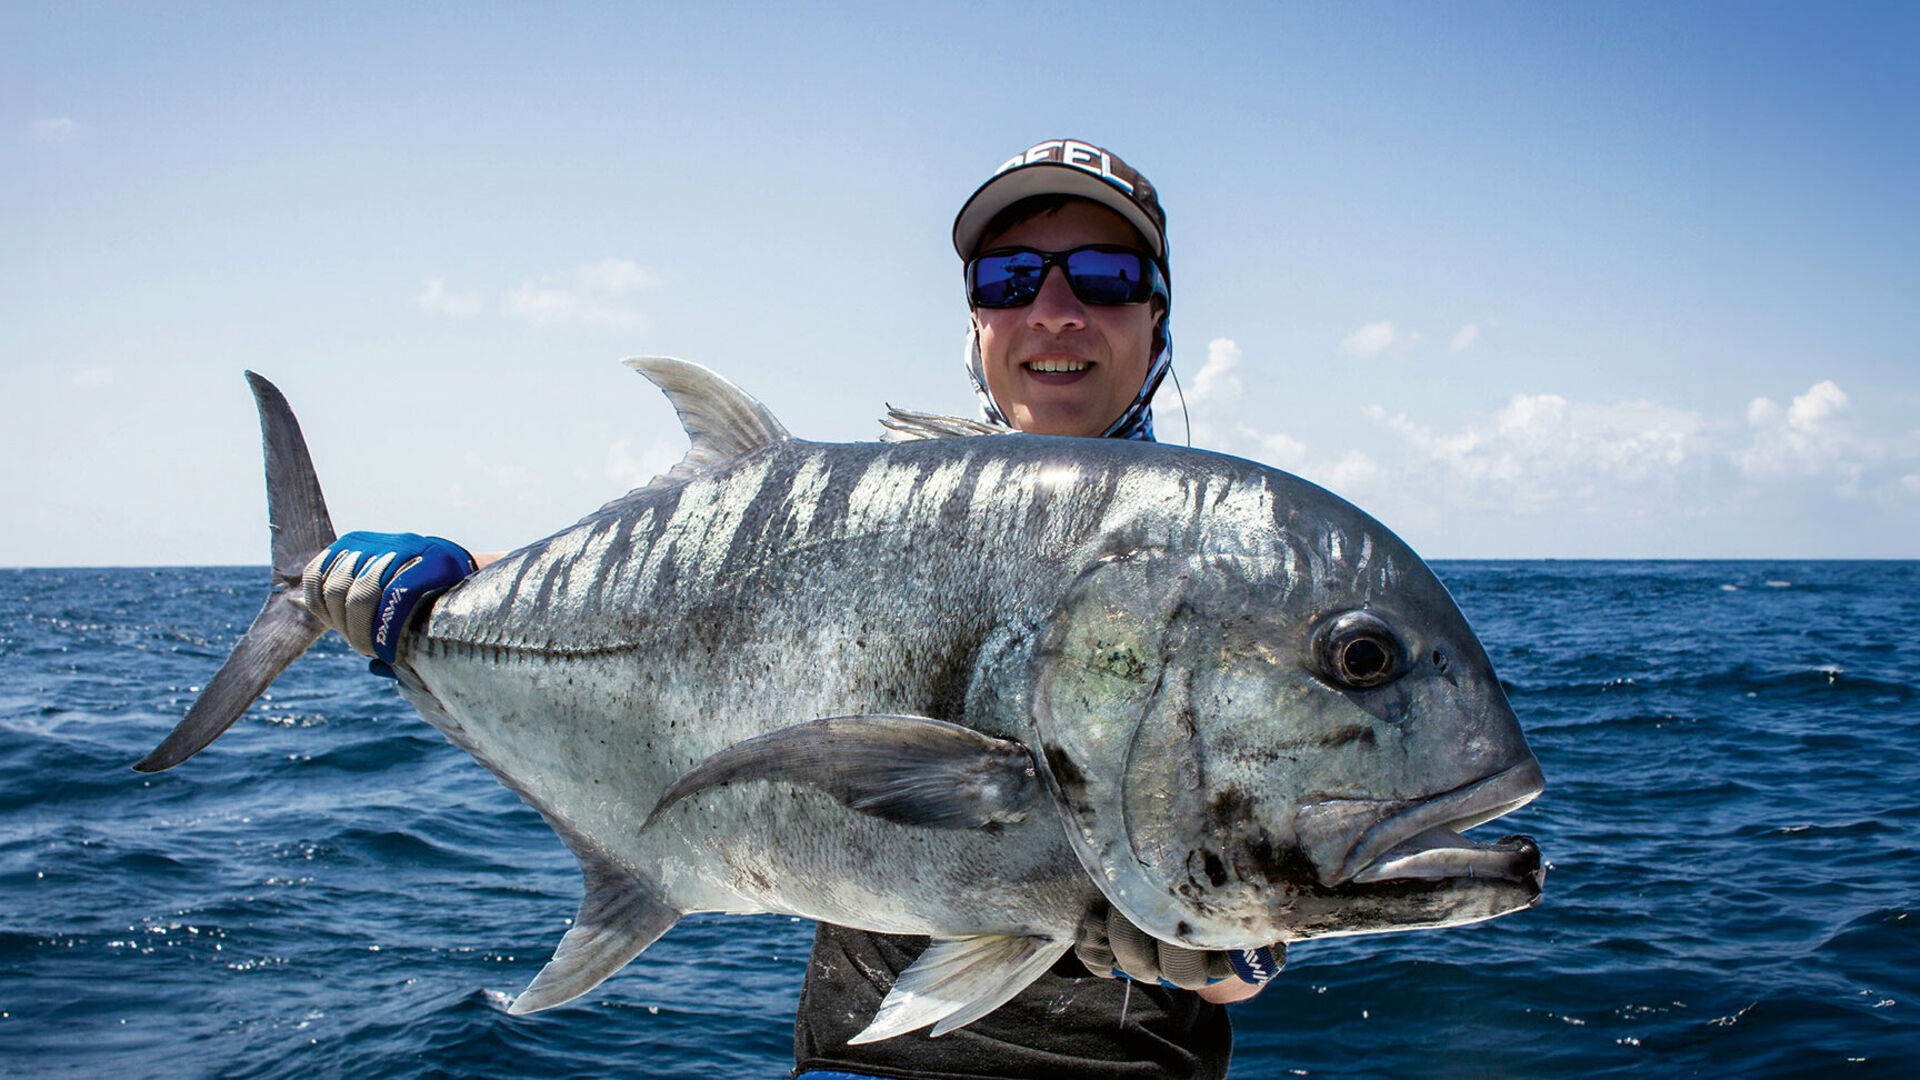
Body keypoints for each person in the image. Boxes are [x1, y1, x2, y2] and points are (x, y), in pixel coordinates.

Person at [301, 139, 1282, 1079]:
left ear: (1157, 313)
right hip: (857, 1064)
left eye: (1104, 276)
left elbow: (1294, 877)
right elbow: (681, 610)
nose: (1055, 310)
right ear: (977, 322)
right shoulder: (872, 512)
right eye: (1010, 277)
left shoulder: (1244, 569)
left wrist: (1226, 948)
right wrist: (445, 587)